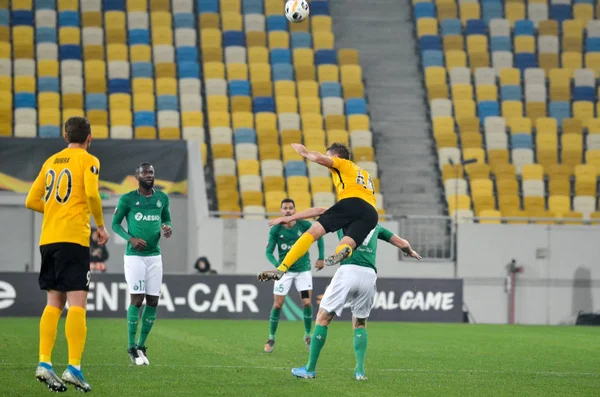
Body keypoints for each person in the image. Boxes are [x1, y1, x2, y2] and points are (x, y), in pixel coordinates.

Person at [268, 207, 421, 380]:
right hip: (369, 275)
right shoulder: (375, 225)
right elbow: (403, 243)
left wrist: (291, 217)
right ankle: (360, 371)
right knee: (360, 323)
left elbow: (319, 210)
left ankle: (309, 369)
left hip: (348, 271)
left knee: (323, 318)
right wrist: (410, 252)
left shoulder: (344, 216)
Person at [25, 116, 109, 393]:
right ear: (90, 137)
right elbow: (93, 194)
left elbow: (31, 200)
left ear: (65, 137)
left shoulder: (51, 161)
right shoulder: (89, 160)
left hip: (48, 239)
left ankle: (44, 362)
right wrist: (100, 225)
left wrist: (55, 211)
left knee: (53, 303)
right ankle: (74, 367)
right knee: (77, 304)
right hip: (73, 239)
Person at [258, 142, 379, 282]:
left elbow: (320, 158)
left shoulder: (343, 164)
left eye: (328, 155)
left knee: (311, 233)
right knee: (345, 243)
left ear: (335, 156)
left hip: (353, 202)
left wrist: (305, 153)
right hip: (371, 213)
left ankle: (282, 269)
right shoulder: (365, 174)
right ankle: (344, 251)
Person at [111, 163, 172, 366]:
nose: (148, 175)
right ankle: (130, 347)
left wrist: (167, 228)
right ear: (137, 176)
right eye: (145, 172)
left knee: (153, 301)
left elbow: (167, 218)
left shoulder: (162, 198)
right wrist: (130, 239)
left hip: (155, 256)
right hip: (134, 257)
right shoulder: (127, 199)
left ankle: (141, 346)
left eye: (151, 172)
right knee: (137, 300)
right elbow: (115, 224)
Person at [264, 198, 325, 353]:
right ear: (281, 211)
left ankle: (307, 335)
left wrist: (321, 257)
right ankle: (271, 337)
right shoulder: (276, 230)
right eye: (285, 208)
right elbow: (268, 252)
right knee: (277, 304)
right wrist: (279, 267)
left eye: (291, 208)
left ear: (295, 211)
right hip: (284, 273)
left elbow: (320, 237)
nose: (288, 210)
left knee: (306, 302)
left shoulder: (304, 225)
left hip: (302, 272)